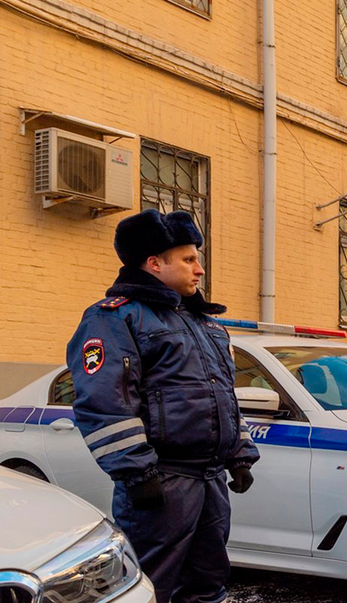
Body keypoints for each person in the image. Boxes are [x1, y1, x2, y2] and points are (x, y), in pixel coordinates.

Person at [67, 209, 260, 603]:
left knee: (208, 584)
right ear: (154, 263)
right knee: (148, 587)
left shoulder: (204, 324)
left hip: (209, 483)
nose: (200, 270)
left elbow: (222, 394)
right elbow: (105, 402)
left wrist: (240, 454)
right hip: (161, 484)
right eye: (189, 259)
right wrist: (137, 473)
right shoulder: (114, 319)